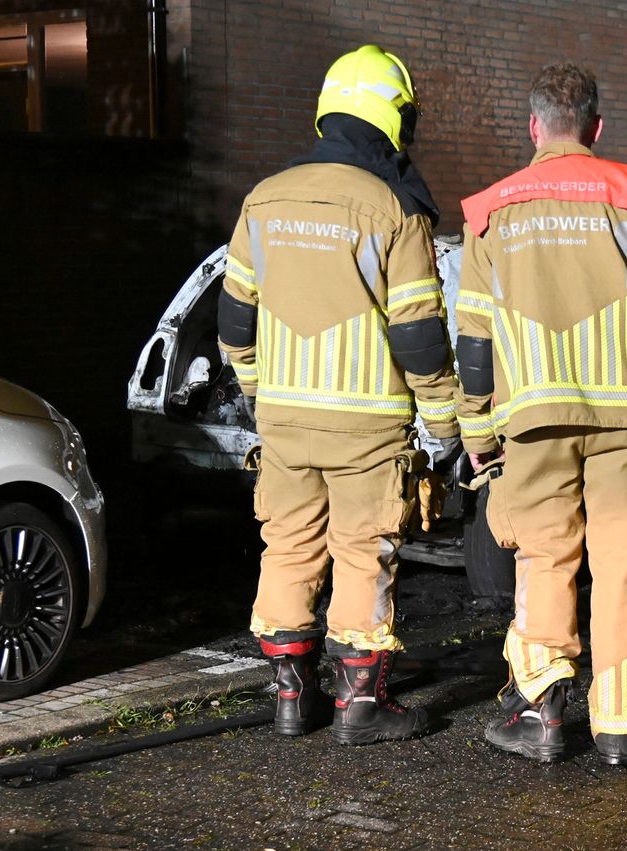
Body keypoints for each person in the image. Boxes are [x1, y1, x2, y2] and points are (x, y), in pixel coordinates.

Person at [454, 63, 627, 764]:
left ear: (534, 127)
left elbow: (474, 337)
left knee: (544, 557)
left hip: (534, 419)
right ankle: (624, 728)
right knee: (624, 565)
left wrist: (475, 427)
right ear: (596, 129)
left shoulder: (491, 210)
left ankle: (538, 714)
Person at [217, 45, 461, 745]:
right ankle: (360, 703)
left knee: (288, 547)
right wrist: (443, 428)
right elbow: (419, 337)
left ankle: (291, 699)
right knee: (363, 552)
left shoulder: (263, 200)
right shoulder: (394, 208)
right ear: (393, 118)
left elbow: (234, 325)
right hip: (370, 427)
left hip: (287, 421)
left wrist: (268, 395)